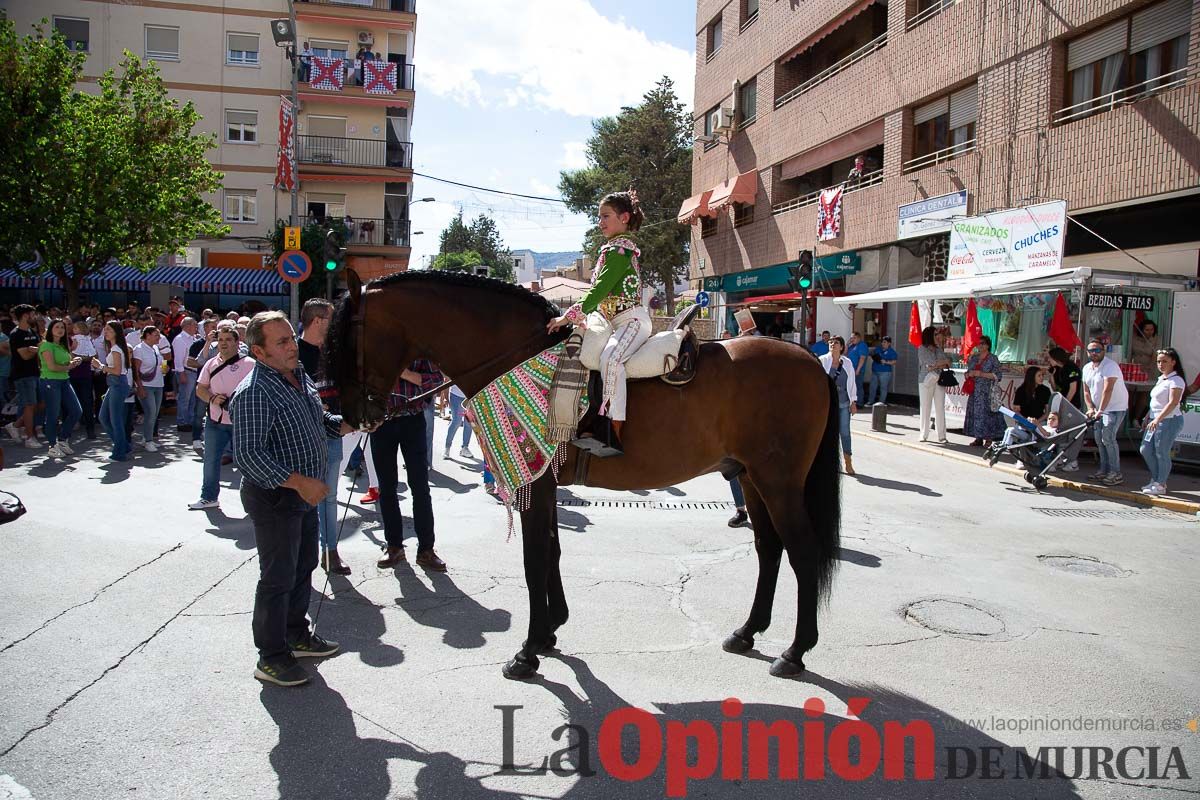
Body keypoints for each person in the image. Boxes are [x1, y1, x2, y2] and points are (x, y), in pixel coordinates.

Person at [230, 311, 353, 688]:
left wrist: (351, 423)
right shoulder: (253, 391)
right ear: (258, 351)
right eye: (281, 342)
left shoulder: (298, 375)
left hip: (303, 495)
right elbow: (248, 456)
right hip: (275, 498)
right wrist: (299, 482)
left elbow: (321, 423)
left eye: (291, 338)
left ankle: (296, 635)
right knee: (277, 578)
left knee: (302, 569)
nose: (292, 346)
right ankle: (270, 656)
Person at [546, 189, 647, 455]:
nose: (600, 222)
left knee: (611, 358)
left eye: (605, 216)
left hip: (632, 320)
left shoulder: (621, 249)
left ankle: (612, 429)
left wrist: (567, 316)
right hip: (612, 321)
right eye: (598, 216)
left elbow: (599, 290)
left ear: (624, 217)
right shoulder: (611, 249)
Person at [373, 361, 447, 572]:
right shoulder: (377, 342)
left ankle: (426, 549)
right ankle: (394, 546)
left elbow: (436, 381)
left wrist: (403, 373)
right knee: (386, 489)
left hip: (412, 420)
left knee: (420, 488)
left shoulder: (417, 343)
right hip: (382, 422)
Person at [296, 299, 351, 576]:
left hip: (332, 434)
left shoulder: (333, 352)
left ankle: (329, 552)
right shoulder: (292, 352)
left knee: (329, 496)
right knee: (303, 497)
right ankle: (301, 553)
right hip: (303, 439)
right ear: (318, 321)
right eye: (331, 320)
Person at [190, 327, 254, 511]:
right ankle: (208, 497)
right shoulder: (211, 363)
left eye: (228, 339)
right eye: (221, 339)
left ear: (236, 342)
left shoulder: (250, 364)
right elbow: (200, 388)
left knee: (249, 463)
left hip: (242, 423)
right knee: (210, 460)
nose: (223, 343)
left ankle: (255, 502)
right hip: (215, 421)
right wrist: (211, 398)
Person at [1138, 348, 1186, 496]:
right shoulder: (1162, 379)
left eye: (1164, 361)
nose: (1161, 364)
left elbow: (1173, 402)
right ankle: (1157, 479)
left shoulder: (1176, 380)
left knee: (1161, 452)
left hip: (1169, 420)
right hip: (1155, 420)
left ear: (1173, 362)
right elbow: (1156, 402)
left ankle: (1160, 484)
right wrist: (1148, 416)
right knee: (1145, 449)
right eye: (1159, 361)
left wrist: (1158, 419)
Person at [1082, 338, 1130, 486]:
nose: (1094, 353)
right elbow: (1086, 391)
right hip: (1098, 409)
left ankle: (1115, 473)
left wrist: (1101, 410)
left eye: (1097, 350)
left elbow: (1107, 390)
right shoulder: (1087, 368)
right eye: (1091, 350)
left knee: (1107, 438)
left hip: (1114, 408)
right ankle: (1103, 470)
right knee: (1099, 439)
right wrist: (1090, 408)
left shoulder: (1111, 366)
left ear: (1103, 351)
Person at [38, 318, 84, 459]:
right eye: (57, 327)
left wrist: (74, 361)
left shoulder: (63, 346)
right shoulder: (46, 346)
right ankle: (52, 445)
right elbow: (52, 366)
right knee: (53, 414)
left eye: (62, 328)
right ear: (51, 329)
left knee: (77, 411)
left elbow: (65, 363)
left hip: (64, 380)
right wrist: (69, 366)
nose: (60, 330)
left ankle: (63, 439)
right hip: (50, 381)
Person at [92, 321, 133, 462]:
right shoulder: (116, 348)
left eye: (109, 329)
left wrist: (100, 366)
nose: (105, 332)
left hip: (117, 384)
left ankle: (119, 453)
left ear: (116, 332)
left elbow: (116, 371)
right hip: (115, 384)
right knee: (103, 417)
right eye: (105, 329)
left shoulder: (116, 349)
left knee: (115, 420)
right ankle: (123, 445)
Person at [5, 305, 43, 448]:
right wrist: (34, 349)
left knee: (40, 403)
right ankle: (29, 437)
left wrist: (35, 349)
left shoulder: (33, 331)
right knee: (29, 405)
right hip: (22, 374)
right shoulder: (16, 334)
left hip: (36, 373)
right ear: (26, 316)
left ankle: (15, 425)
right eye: (33, 314)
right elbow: (25, 355)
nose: (36, 317)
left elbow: (40, 348)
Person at [819, 336, 858, 475]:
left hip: (843, 403)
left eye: (835, 343)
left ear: (841, 347)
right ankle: (827, 463)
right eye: (830, 342)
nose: (832, 344)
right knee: (826, 433)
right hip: (827, 403)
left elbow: (852, 383)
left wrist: (853, 401)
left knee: (845, 432)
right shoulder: (822, 360)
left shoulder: (847, 363)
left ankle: (848, 462)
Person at [963, 335, 1005, 447]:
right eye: (979, 343)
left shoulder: (993, 359)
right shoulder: (974, 358)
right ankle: (978, 438)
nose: (980, 345)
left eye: (982, 343)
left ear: (987, 345)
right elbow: (967, 372)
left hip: (987, 392)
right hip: (974, 392)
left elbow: (998, 375)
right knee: (976, 414)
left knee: (987, 415)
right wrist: (968, 375)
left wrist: (981, 374)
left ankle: (989, 439)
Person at [132, 326, 166, 452]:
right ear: (148, 335)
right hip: (146, 385)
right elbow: (136, 370)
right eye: (156, 335)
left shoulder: (156, 348)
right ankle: (148, 441)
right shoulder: (139, 349)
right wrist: (139, 388)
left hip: (158, 384)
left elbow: (161, 364)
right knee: (150, 412)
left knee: (154, 414)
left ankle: (147, 437)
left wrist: (164, 369)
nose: (159, 337)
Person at [187, 318, 219, 450]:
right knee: (199, 413)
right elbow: (190, 362)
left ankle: (212, 439)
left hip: (218, 385)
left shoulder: (222, 344)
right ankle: (196, 438)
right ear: (205, 329)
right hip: (204, 383)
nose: (215, 329)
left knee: (215, 414)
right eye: (212, 326)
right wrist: (206, 363)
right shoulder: (197, 344)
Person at [916, 326, 951, 443]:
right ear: (929, 336)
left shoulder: (938, 349)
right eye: (935, 334)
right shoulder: (922, 348)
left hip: (939, 380)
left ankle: (942, 435)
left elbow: (947, 363)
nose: (938, 336)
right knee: (925, 407)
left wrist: (937, 364)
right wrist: (940, 363)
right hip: (926, 380)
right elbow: (930, 363)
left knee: (940, 407)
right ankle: (923, 434)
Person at [69, 321, 98, 439]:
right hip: (72, 374)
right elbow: (69, 354)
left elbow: (93, 355)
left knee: (87, 402)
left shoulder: (87, 340)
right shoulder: (72, 339)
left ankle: (90, 429)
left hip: (85, 375)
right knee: (71, 401)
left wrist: (81, 358)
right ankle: (69, 428)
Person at [172, 317, 200, 434]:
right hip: (186, 371)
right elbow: (178, 359)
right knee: (184, 398)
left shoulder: (193, 338)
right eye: (195, 325)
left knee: (192, 399)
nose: (196, 328)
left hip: (194, 371)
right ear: (187, 326)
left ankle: (190, 421)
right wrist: (181, 373)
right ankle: (182, 422)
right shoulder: (180, 339)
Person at [443, 384, 473, 460]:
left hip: (470, 397)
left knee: (469, 423)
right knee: (456, 422)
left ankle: (465, 448)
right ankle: (447, 448)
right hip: (456, 396)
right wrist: (446, 398)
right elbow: (446, 380)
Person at [867, 335, 897, 405]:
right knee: (872, 387)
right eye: (882, 342)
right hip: (875, 371)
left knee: (883, 388)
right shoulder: (878, 348)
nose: (883, 343)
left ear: (889, 343)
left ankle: (881, 403)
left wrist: (886, 362)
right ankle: (870, 401)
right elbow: (871, 353)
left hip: (885, 372)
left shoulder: (892, 352)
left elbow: (894, 362)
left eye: (885, 342)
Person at [846, 332, 869, 409]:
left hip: (857, 370)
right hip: (850, 370)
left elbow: (862, 358)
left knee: (858, 386)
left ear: (859, 338)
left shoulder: (862, 345)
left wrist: (858, 370)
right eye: (851, 338)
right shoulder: (851, 346)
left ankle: (859, 402)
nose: (852, 339)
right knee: (851, 386)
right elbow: (844, 353)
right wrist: (847, 344)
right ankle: (852, 402)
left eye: (854, 338)